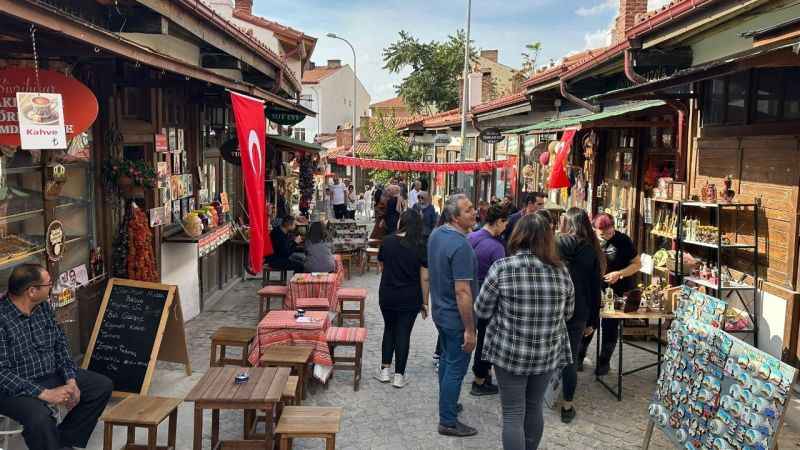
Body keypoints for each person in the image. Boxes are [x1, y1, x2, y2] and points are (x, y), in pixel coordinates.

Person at [474, 214, 575, 450]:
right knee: (534, 406)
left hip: (509, 352)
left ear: (518, 236)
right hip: (546, 352)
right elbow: (568, 313)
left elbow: (481, 309)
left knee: (512, 413)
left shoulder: (502, 268)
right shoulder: (561, 272)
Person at [0, 264, 113, 450]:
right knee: (40, 418)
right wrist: (45, 394)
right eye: (48, 284)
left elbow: (60, 344)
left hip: (48, 374)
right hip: (11, 389)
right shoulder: (3, 319)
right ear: (32, 291)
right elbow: (2, 373)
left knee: (100, 386)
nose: (52, 288)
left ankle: (63, 443)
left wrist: (71, 380)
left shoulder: (42, 307)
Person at [427, 193, 479, 437]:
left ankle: (448, 404)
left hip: (441, 312)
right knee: (455, 368)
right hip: (455, 318)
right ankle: (447, 420)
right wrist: (470, 329)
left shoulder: (437, 235)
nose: (474, 212)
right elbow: (462, 291)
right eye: (468, 210)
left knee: (448, 362)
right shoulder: (461, 246)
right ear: (455, 217)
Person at [555, 208, 605, 424]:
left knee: (546, 351)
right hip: (579, 310)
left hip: (554, 306)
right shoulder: (591, 250)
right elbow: (595, 289)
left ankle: (539, 396)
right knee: (571, 358)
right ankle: (567, 405)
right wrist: (594, 320)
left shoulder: (556, 244)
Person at [582, 213, 641, 376]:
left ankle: (604, 362)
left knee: (610, 325)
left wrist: (620, 273)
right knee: (589, 322)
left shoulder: (623, 240)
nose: (608, 236)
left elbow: (637, 264)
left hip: (617, 290)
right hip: (594, 289)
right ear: (594, 230)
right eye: (603, 234)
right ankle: (580, 355)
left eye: (610, 232)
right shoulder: (589, 241)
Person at [376, 210, 429, 388]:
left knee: (389, 329)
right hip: (410, 296)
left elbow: (382, 266)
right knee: (403, 333)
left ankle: (384, 371)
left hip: (388, 293)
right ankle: (399, 375)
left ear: (402, 222)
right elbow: (425, 277)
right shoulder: (420, 245)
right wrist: (425, 301)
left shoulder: (388, 241)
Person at [466, 205, 508, 396]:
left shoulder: (471, 236)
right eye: (505, 223)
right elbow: (502, 279)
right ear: (499, 221)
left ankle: (481, 374)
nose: (506, 227)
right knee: (485, 339)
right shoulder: (497, 247)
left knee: (472, 334)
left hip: (467, 293)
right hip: (487, 299)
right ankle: (480, 380)